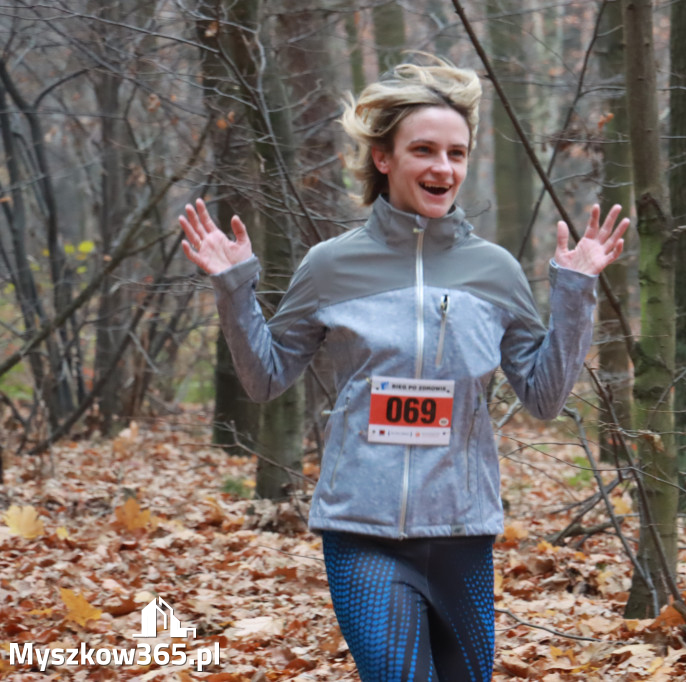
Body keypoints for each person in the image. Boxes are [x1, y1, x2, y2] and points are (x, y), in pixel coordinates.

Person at [180, 56, 629, 681]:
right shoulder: (329, 266)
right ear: (384, 159)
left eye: (457, 153)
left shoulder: (494, 270)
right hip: (360, 529)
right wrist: (234, 287)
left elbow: (545, 396)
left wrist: (576, 292)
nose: (444, 168)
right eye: (424, 149)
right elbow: (265, 377)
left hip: (462, 532)